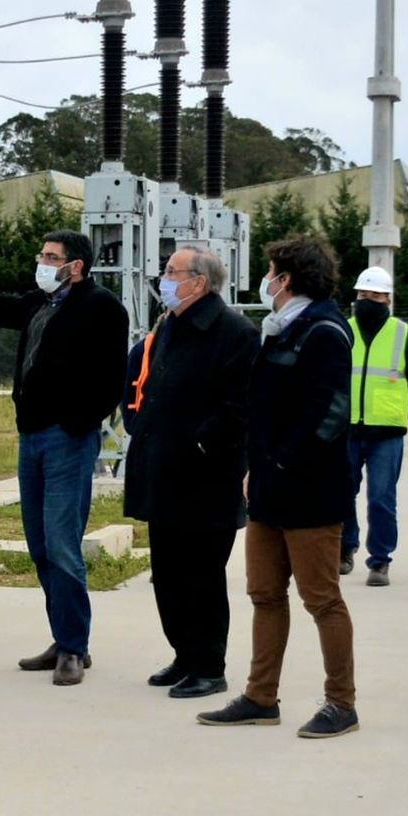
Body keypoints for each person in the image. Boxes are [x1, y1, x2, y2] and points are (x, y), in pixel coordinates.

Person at [0, 232, 129, 686]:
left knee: (62, 544)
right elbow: (1, 308)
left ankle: (74, 649)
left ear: (76, 266)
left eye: (51, 257)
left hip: (67, 439)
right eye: (42, 255)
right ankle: (63, 637)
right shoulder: (43, 302)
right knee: (40, 545)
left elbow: (109, 379)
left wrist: (77, 423)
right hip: (32, 437)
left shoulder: (101, 307)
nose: (42, 263)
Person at [197, 235, 360, 739]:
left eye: (271, 271)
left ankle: (342, 704)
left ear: (285, 280)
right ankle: (260, 696)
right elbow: (263, 407)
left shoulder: (324, 331)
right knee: (264, 593)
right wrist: (256, 466)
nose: (265, 280)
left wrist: (287, 463)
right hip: (267, 487)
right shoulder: (280, 330)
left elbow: (330, 414)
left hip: (309, 491)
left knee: (322, 599)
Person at [122, 246, 258, 699]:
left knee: (201, 574)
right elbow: (143, 381)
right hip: (162, 470)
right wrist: (138, 424)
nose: (163, 278)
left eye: (170, 271)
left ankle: (209, 665)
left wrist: (201, 441)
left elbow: (240, 406)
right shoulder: (169, 326)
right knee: (168, 572)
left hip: (205, 478)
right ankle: (184, 653)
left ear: (198, 281)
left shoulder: (234, 332)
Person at [339, 266, 408, 587]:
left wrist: (399, 412)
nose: (367, 301)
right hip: (347, 429)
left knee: (381, 498)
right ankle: (345, 548)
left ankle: (380, 561)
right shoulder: (343, 331)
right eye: (362, 295)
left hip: (387, 434)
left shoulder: (404, 335)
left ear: (387, 300)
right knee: (342, 493)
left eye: (374, 296)